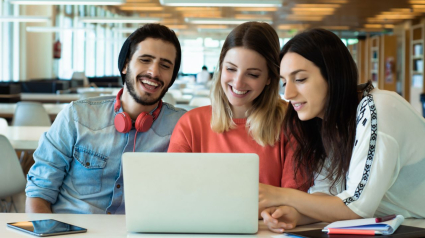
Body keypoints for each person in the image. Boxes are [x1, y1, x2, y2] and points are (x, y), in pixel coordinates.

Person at [261, 28, 425, 233]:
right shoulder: (328, 122)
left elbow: (355, 210)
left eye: (300, 79)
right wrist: (295, 214)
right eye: (284, 82)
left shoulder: (379, 108)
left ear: (333, 75)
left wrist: (279, 195)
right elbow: (327, 196)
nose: (288, 93)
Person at [25, 24, 186, 214]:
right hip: (71, 231)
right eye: (145, 60)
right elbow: (39, 193)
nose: (154, 72)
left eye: (165, 66)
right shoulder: (76, 117)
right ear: (125, 64)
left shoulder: (182, 126)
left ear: (172, 76)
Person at [168, 21, 310, 215]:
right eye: (231, 69)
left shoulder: (291, 123)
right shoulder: (191, 124)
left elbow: (293, 201)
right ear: (220, 67)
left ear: (270, 78)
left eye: (252, 74)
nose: (238, 82)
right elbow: (173, 195)